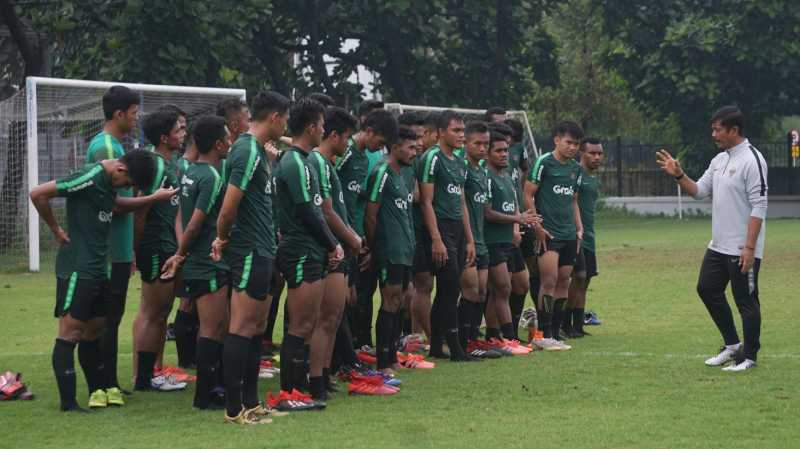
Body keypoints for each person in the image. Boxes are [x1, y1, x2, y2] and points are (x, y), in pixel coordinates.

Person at [30, 149, 177, 412]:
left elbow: (117, 206)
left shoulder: (110, 183)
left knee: (95, 329)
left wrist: (153, 198)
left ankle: (97, 391)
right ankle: (68, 403)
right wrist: (55, 229)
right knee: (71, 332)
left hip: (99, 268)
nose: (128, 188)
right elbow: (38, 193)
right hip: (77, 269)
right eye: (129, 184)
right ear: (120, 170)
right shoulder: (88, 177)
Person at [656, 105, 767, 372]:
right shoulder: (719, 160)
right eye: (713, 129)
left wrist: (750, 247)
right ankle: (732, 346)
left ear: (734, 130)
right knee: (707, 289)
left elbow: (759, 206)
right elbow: (699, 191)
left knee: (746, 301)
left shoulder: (753, 159)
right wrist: (679, 175)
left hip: (742, 246)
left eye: (718, 129)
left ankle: (749, 357)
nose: (713, 134)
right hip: (718, 246)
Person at [210, 91, 290, 422]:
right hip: (249, 251)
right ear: (274, 117)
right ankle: (233, 409)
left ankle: (251, 401)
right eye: (285, 118)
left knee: (256, 327)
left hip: (263, 249)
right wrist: (223, 238)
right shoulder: (244, 150)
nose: (286, 125)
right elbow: (229, 207)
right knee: (241, 327)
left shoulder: (258, 152)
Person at [272, 98, 344, 410]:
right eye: (322, 126)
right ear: (312, 127)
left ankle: (301, 390)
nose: (325, 131)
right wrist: (333, 243)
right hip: (300, 250)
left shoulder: (304, 161)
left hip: (309, 249)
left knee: (308, 322)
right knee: (300, 325)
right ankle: (291, 393)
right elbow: (307, 212)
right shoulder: (295, 163)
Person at [161, 115, 232, 411]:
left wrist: (181, 253)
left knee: (213, 328)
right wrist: (181, 254)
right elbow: (195, 224)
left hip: (195, 260)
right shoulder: (213, 177)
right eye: (227, 138)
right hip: (207, 262)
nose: (231, 142)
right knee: (212, 330)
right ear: (217, 144)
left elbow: (181, 217)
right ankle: (205, 396)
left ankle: (214, 388)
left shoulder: (189, 171)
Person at [84, 86, 139, 396]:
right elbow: (113, 202)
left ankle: (110, 381)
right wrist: (150, 200)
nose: (137, 119)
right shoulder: (105, 147)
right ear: (119, 114)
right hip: (106, 249)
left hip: (118, 248)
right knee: (105, 317)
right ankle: (105, 383)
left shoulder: (114, 144)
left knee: (113, 315)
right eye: (133, 113)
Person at [306, 106, 362, 400]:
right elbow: (326, 212)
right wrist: (349, 238)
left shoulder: (327, 163)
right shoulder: (316, 161)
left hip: (336, 249)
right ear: (335, 135)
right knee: (325, 318)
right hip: (328, 250)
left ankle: (323, 374)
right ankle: (315, 378)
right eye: (348, 138)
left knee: (333, 315)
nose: (349, 144)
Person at [132, 109, 187, 392]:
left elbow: (174, 212)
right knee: (153, 313)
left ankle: (151, 372)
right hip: (154, 247)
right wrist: (136, 251)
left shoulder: (172, 164)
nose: (184, 134)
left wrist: (180, 247)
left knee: (160, 312)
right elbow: (141, 209)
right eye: (179, 129)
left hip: (167, 246)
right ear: (164, 137)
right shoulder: (155, 165)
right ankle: (143, 378)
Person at [417, 110, 477, 361]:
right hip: (440, 227)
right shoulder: (432, 158)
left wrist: (470, 238)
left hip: (457, 229)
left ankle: (436, 345)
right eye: (456, 130)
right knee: (449, 285)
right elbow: (426, 202)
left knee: (448, 289)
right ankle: (455, 348)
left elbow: (462, 201)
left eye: (463, 131)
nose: (461, 135)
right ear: (441, 132)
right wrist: (436, 238)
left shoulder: (460, 161)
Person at [335, 109, 398, 347]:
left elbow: (351, 195)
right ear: (369, 131)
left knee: (355, 297)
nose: (380, 148)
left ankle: (353, 352)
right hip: (338, 236)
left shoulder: (361, 157)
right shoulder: (345, 152)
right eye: (380, 142)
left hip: (354, 236)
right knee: (342, 300)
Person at [524, 121, 584, 351]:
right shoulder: (543, 163)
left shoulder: (575, 169)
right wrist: (537, 226)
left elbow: (573, 201)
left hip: (569, 234)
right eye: (569, 142)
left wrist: (580, 229)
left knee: (563, 282)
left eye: (576, 144)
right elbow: (527, 195)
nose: (572, 148)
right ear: (557, 140)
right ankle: (541, 334)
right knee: (548, 281)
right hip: (548, 233)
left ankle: (554, 331)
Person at [365, 126, 418, 374]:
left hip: (405, 249)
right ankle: (382, 361)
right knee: (390, 300)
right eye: (410, 147)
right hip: (389, 249)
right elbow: (371, 214)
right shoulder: (382, 172)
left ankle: (393, 356)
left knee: (401, 301)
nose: (414, 152)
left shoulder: (402, 174)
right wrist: (376, 247)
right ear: (395, 147)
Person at [483, 131, 539, 353]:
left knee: (519, 284)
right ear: (487, 154)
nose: (504, 154)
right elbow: (487, 212)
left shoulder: (506, 176)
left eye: (506, 150)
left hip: (509, 239)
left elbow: (514, 204)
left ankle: (501, 335)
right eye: (498, 150)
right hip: (492, 240)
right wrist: (518, 219)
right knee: (501, 289)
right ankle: (507, 338)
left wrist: (516, 227)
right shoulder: (486, 177)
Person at [458, 122, 491, 354]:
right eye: (477, 144)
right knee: (469, 289)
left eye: (485, 144)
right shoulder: (462, 168)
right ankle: (463, 340)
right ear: (466, 143)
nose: (482, 148)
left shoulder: (482, 170)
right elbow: (460, 205)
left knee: (481, 290)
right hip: (465, 239)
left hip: (481, 239)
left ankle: (472, 338)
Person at [565, 138, 603, 338]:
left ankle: (578, 326)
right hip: (575, 235)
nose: (597, 157)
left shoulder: (594, 178)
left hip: (590, 237)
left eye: (599, 153)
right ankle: (565, 323)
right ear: (582, 153)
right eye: (592, 153)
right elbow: (570, 203)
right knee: (575, 278)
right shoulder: (575, 174)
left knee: (585, 280)